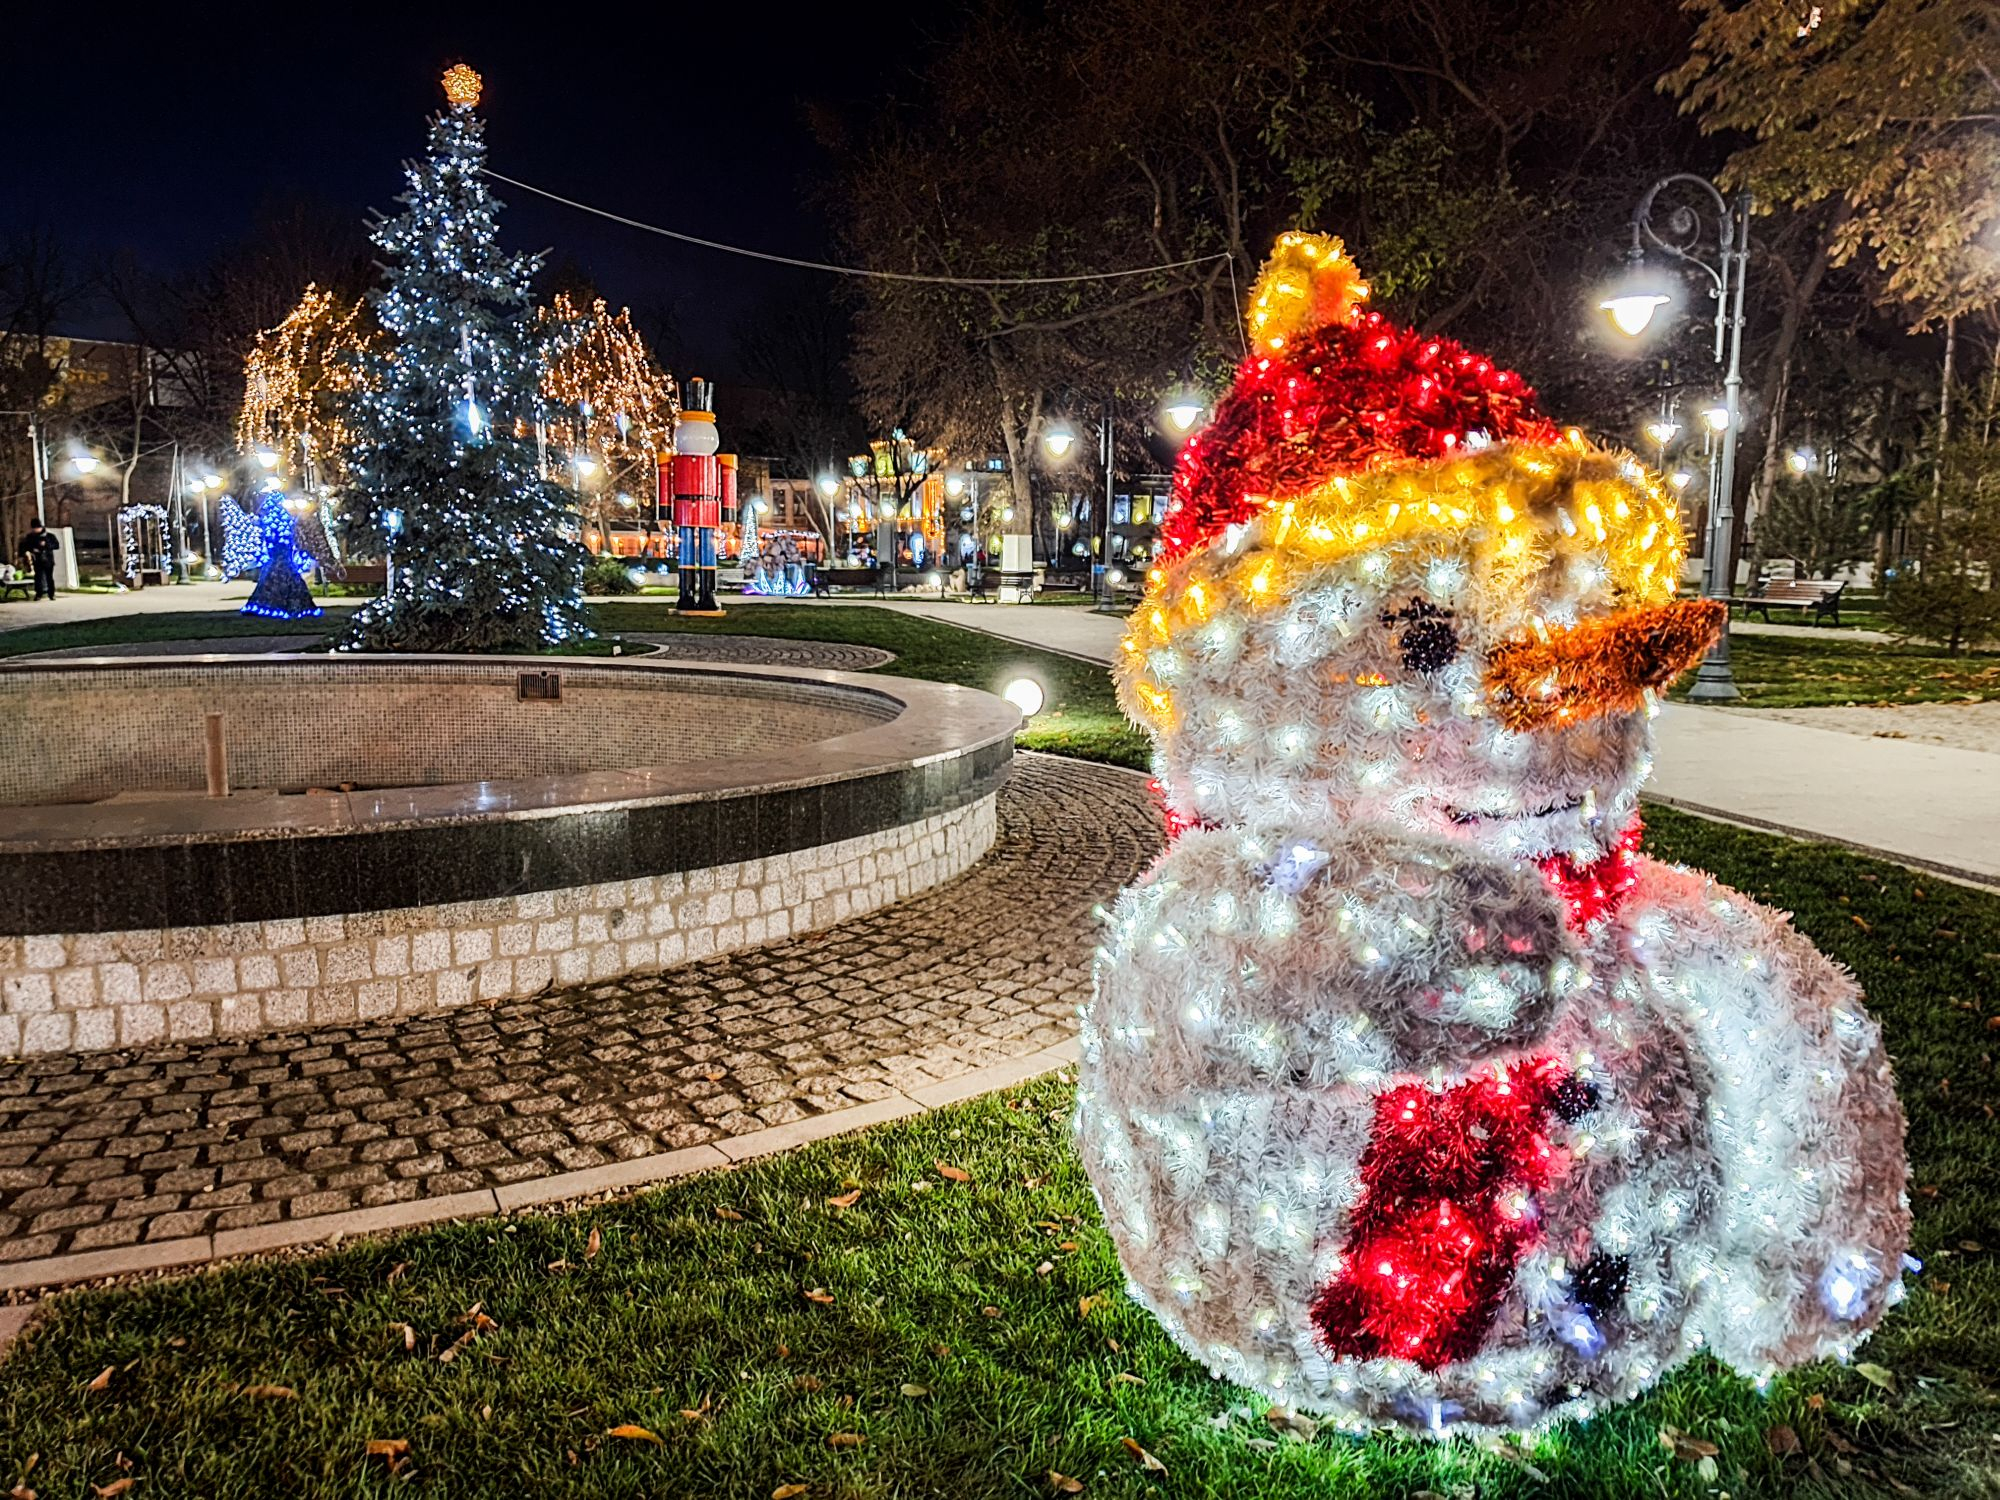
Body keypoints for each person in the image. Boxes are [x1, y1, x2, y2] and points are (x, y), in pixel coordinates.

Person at [18, 522, 59, 601]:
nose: (36, 530)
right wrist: (33, 549)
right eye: (34, 528)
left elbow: (56, 545)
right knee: (38, 577)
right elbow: (25, 546)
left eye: (37, 528)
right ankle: (39, 594)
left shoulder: (49, 536)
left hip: (48, 559)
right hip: (37, 559)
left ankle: (51, 594)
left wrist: (46, 545)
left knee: (49, 577)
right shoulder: (30, 537)